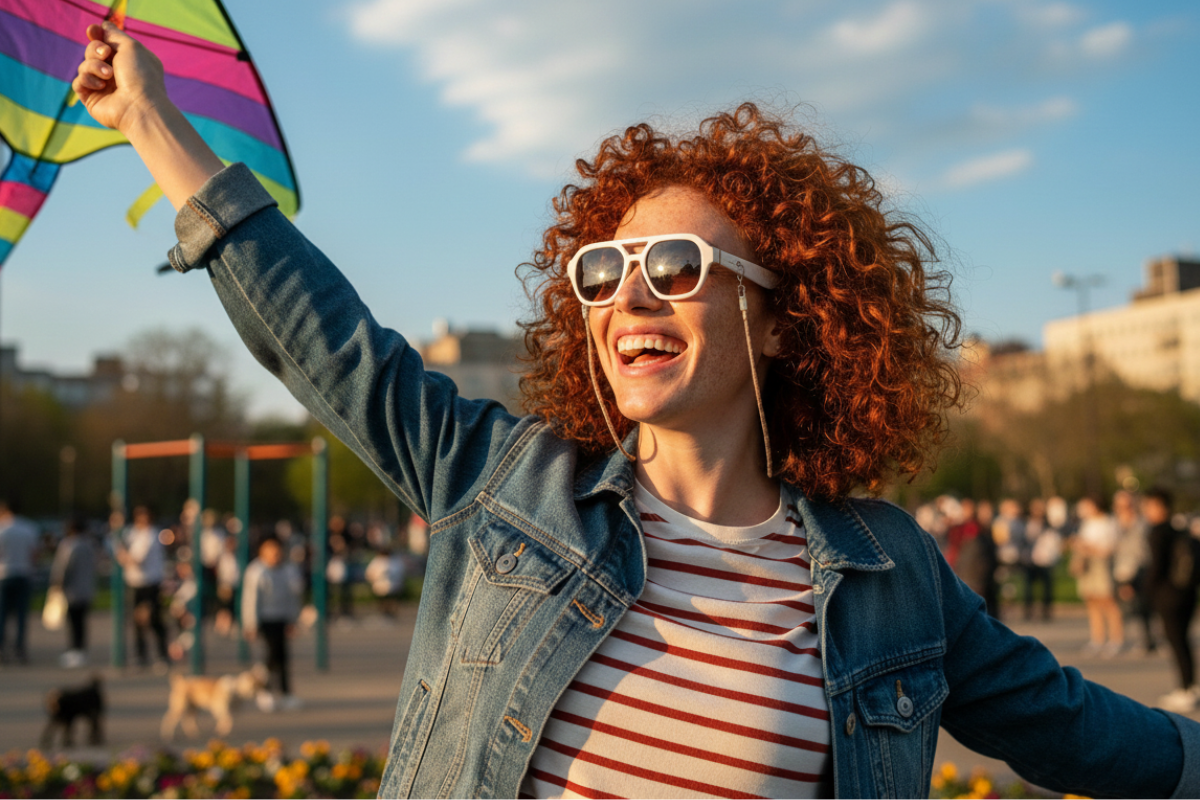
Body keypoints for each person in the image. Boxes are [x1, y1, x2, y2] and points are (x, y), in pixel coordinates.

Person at [72, 25, 1200, 797]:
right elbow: (323, 336)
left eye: (674, 261)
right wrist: (153, 125)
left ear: (779, 318)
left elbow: (1095, 736)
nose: (629, 293)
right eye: (602, 270)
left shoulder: (893, 574)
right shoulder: (505, 484)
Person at [1143, 488, 1199, 713]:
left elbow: (1157, 567)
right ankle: (1189, 686)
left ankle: (1185, 689)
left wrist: (1146, 591)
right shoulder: (1180, 529)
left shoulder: (1157, 532)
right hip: (1187, 593)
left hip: (1168, 596)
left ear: (1158, 506)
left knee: (1176, 642)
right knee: (1183, 642)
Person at [241, 534, 303, 711]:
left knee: (283, 656)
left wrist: (293, 620)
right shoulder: (256, 571)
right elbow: (250, 599)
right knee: (270, 656)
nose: (275, 554)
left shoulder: (288, 570)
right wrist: (251, 623)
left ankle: (286, 693)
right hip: (264, 619)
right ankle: (265, 691)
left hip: (282, 618)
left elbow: (293, 597)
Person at [116, 505, 171, 670]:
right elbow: (121, 553)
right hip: (135, 583)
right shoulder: (132, 533)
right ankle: (141, 655)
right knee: (137, 622)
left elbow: (136, 559)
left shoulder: (151, 535)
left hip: (150, 583)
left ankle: (162, 654)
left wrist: (125, 557)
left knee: (153, 619)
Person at [1071, 496, 1124, 658]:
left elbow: (1110, 547)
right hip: (1088, 566)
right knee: (1092, 602)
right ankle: (1097, 639)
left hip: (1101, 566)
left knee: (1108, 602)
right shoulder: (1087, 523)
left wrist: (1090, 547)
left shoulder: (1109, 522)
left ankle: (1116, 640)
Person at [48, 517, 98, 668]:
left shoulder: (69, 545)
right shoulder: (90, 545)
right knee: (82, 622)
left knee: (73, 622)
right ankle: (81, 651)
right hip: (87, 589)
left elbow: (63, 567)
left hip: (72, 590)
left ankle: (74, 651)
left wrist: (57, 584)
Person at [1113, 489, 1156, 654]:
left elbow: (1141, 551)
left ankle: (1148, 640)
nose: (1124, 508)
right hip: (1121, 570)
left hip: (1140, 569)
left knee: (1143, 606)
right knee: (1130, 608)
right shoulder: (1116, 523)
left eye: (1128, 504)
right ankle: (1144, 639)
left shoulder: (1142, 523)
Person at [0, 500, 38, 665]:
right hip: (24, 574)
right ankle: (20, 649)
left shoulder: (2, 529)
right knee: (22, 615)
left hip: (4, 574)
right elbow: (34, 553)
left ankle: (2, 649)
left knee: (2, 616)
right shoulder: (29, 528)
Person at [1023, 497, 1063, 621]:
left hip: (1045, 561)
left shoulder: (1049, 525)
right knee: (1029, 587)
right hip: (1030, 560)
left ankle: (1046, 611)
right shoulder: (1026, 523)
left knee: (1047, 587)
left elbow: (1055, 541)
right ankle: (1029, 611)